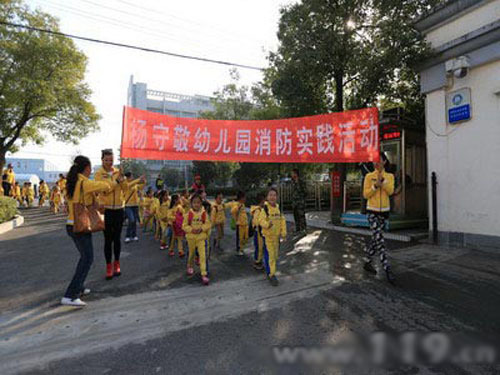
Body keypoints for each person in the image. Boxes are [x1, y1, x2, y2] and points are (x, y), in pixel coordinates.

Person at [61, 155, 116, 307]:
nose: (91, 171)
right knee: (87, 259)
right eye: (90, 168)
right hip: (80, 227)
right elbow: (104, 186)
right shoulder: (83, 182)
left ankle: (79, 287)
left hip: (72, 225)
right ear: (86, 168)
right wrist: (114, 181)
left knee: (85, 258)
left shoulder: (74, 182)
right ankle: (70, 295)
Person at [94, 149, 127, 280]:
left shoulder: (118, 172)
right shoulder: (98, 174)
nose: (109, 163)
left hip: (119, 209)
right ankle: (108, 266)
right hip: (105, 210)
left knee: (117, 238)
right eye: (106, 160)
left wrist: (123, 180)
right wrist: (116, 182)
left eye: (111, 160)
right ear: (102, 160)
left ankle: (117, 263)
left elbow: (125, 189)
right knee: (108, 239)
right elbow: (104, 190)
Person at [362, 158, 396, 285]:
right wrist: (375, 186)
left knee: (376, 239)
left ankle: (367, 262)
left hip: (384, 212)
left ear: (384, 162)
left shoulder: (390, 176)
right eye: (374, 161)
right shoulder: (369, 176)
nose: (376, 163)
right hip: (372, 212)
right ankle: (387, 269)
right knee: (380, 240)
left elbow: (391, 191)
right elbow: (365, 195)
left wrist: (383, 183)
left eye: (379, 161)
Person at [258, 188, 287, 286]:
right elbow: (260, 221)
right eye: (270, 195)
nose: (272, 197)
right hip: (268, 237)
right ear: (267, 197)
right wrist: (267, 224)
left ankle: (269, 269)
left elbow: (282, 220)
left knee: (275, 255)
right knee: (271, 256)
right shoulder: (264, 209)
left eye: (274, 195)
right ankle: (271, 275)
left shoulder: (278, 209)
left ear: (277, 197)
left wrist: (283, 233)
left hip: (277, 238)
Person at [183, 193, 211, 285]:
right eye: (194, 202)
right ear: (191, 204)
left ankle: (204, 274)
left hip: (201, 238)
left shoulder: (204, 214)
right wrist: (191, 230)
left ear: (201, 204)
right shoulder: (188, 214)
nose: (196, 204)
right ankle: (190, 266)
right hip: (191, 238)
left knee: (202, 256)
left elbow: (208, 224)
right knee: (191, 254)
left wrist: (201, 229)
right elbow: (184, 226)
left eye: (198, 202)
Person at [123, 172, 146, 243]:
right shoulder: (125, 184)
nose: (132, 177)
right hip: (128, 205)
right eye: (131, 176)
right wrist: (139, 179)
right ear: (128, 177)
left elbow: (141, 187)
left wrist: (144, 180)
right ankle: (127, 236)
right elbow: (130, 185)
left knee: (134, 221)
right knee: (131, 220)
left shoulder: (135, 184)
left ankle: (134, 235)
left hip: (135, 205)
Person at [250, 193, 266, 270]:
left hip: (259, 231)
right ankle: (257, 262)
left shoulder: (259, 209)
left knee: (260, 247)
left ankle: (258, 260)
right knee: (259, 247)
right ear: (262, 201)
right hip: (258, 231)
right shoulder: (258, 210)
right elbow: (256, 222)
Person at [231, 191, 248, 256]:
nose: (245, 199)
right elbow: (232, 211)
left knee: (246, 237)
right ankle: (239, 249)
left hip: (245, 224)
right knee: (240, 238)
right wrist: (238, 207)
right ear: (241, 198)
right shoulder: (237, 204)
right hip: (239, 224)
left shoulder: (243, 204)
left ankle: (241, 247)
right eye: (244, 198)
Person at [291, 168, 307, 234]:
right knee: (296, 216)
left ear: (296, 174)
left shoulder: (301, 181)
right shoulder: (293, 181)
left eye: (292, 173)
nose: (291, 174)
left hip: (300, 202)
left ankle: (303, 229)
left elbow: (305, 191)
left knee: (301, 216)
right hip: (294, 202)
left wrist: (302, 198)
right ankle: (298, 229)